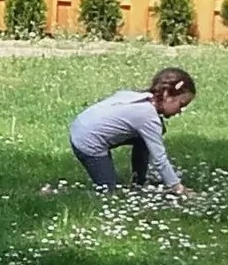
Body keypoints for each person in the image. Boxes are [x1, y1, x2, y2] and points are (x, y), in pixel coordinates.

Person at [67, 67, 196, 192]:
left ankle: (139, 181)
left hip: (81, 127)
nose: (180, 111)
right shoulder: (148, 117)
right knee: (108, 191)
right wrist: (177, 187)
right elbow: (159, 159)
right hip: (87, 141)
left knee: (148, 135)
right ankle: (62, 192)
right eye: (181, 105)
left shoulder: (140, 97)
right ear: (167, 95)